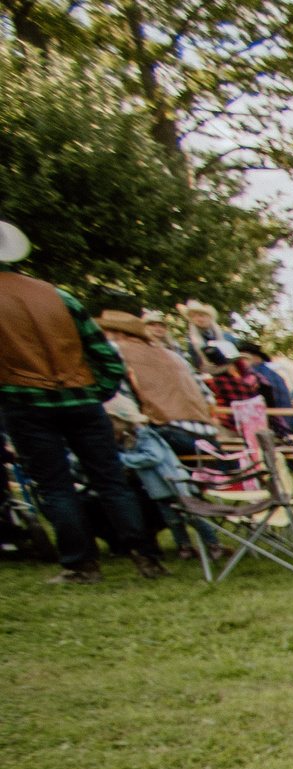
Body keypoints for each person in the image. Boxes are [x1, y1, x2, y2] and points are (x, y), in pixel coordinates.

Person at [0, 225, 168, 582]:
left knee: (55, 486)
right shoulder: (59, 296)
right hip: (81, 400)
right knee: (111, 480)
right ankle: (145, 556)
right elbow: (107, 359)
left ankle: (81, 564)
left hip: (24, 403)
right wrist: (97, 393)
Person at [95, 298, 223, 458]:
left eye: (105, 332)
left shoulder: (116, 351)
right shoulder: (175, 356)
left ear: (118, 333)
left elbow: (119, 400)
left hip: (166, 436)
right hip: (208, 438)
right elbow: (208, 397)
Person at [174, 300, 238, 376]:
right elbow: (198, 364)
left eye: (201, 315)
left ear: (209, 317)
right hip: (214, 377)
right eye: (193, 316)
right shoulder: (193, 341)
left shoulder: (226, 336)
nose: (198, 319)